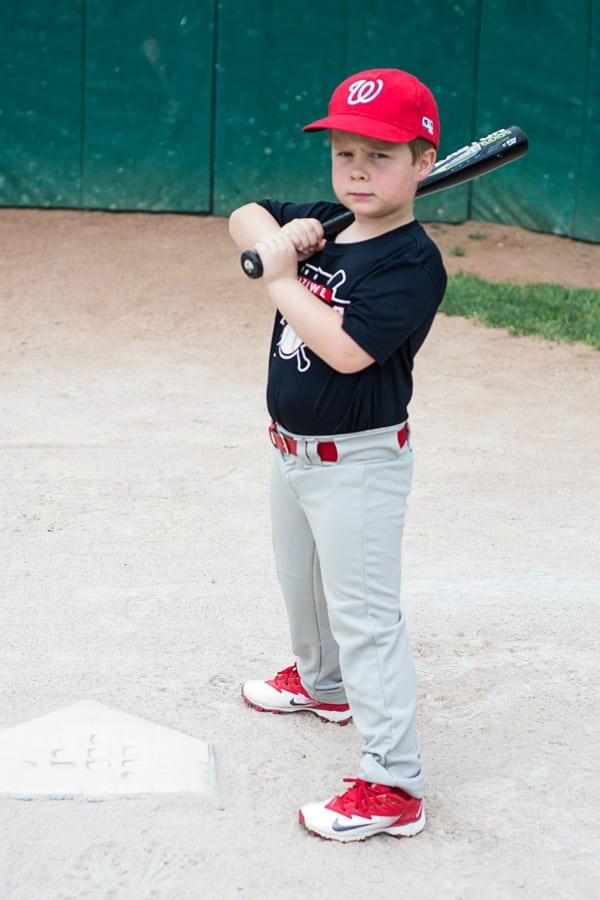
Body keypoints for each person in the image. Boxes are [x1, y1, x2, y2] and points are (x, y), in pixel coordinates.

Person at [228, 68, 447, 842]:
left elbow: (347, 351)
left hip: (359, 461)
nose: (357, 169)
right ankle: (324, 687)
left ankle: (395, 785)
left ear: (425, 162)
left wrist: (282, 278)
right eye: (345, 151)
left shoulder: (411, 264)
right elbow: (242, 214)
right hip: (293, 454)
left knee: (365, 617)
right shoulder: (329, 220)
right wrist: (276, 236)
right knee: (301, 584)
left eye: (381, 155)